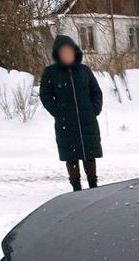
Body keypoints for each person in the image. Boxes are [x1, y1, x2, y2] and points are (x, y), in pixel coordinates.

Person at [39, 35, 103, 191]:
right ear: (58, 55)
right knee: (71, 157)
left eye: (69, 51)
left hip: (87, 121)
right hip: (66, 124)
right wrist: (58, 112)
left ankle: (93, 186)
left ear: (75, 52)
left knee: (89, 155)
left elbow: (96, 92)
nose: (67, 55)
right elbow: (45, 95)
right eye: (63, 52)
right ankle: (76, 188)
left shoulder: (84, 71)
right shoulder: (51, 73)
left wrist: (94, 110)